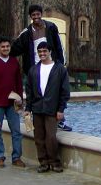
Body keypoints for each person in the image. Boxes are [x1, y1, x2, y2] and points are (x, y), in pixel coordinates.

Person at [11, 4, 72, 131]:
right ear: (30, 16)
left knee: (55, 94)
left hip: (51, 67)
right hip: (34, 69)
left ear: (41, 14)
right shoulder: (27, 32)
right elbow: (14, 48)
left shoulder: (51, 27)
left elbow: (59, 46)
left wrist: (61, 64)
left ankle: (60, 121)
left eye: (38, 14)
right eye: (33, 15)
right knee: (34, 95)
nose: (36, 17)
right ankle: (35, 120)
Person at [25, 41, 70, 173]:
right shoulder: (33, 70)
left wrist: (61, 109)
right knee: (39, 138)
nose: (42, 54)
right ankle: (43, 162)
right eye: (40, 52)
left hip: (52, 109)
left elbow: (65, 91)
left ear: (50, 52)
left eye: (45, 51)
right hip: (37, 108)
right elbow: (29, 92)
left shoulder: (60, 69)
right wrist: (28, 109)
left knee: (51, 137)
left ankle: (54, 162)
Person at [0, 37, 25, 168]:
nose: (5, 48)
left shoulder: (14, 62)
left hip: (13, 103)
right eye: (3, 47)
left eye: (7, 46)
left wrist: (20, 100)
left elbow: (19, 83)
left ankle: (16, 157)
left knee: (16, 131)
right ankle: (0, 157)